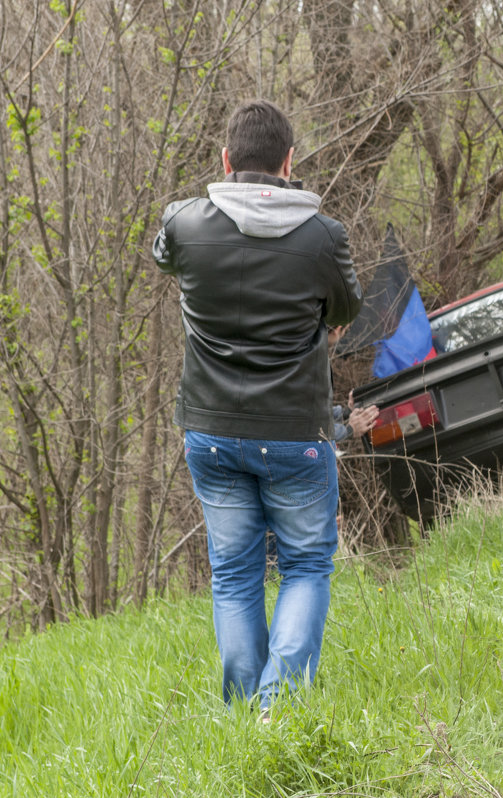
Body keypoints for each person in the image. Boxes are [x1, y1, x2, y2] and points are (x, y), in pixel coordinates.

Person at [152, 99, 362, 710]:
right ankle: (276, 710)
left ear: (225, 160)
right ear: (289, 162)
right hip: (295, 431)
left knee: (236, 573)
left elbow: (163, 255)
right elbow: (346, 312)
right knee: (305, 567)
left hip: (211, 434)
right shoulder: (324, 236)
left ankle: (246, 714)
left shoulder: (186, 223)